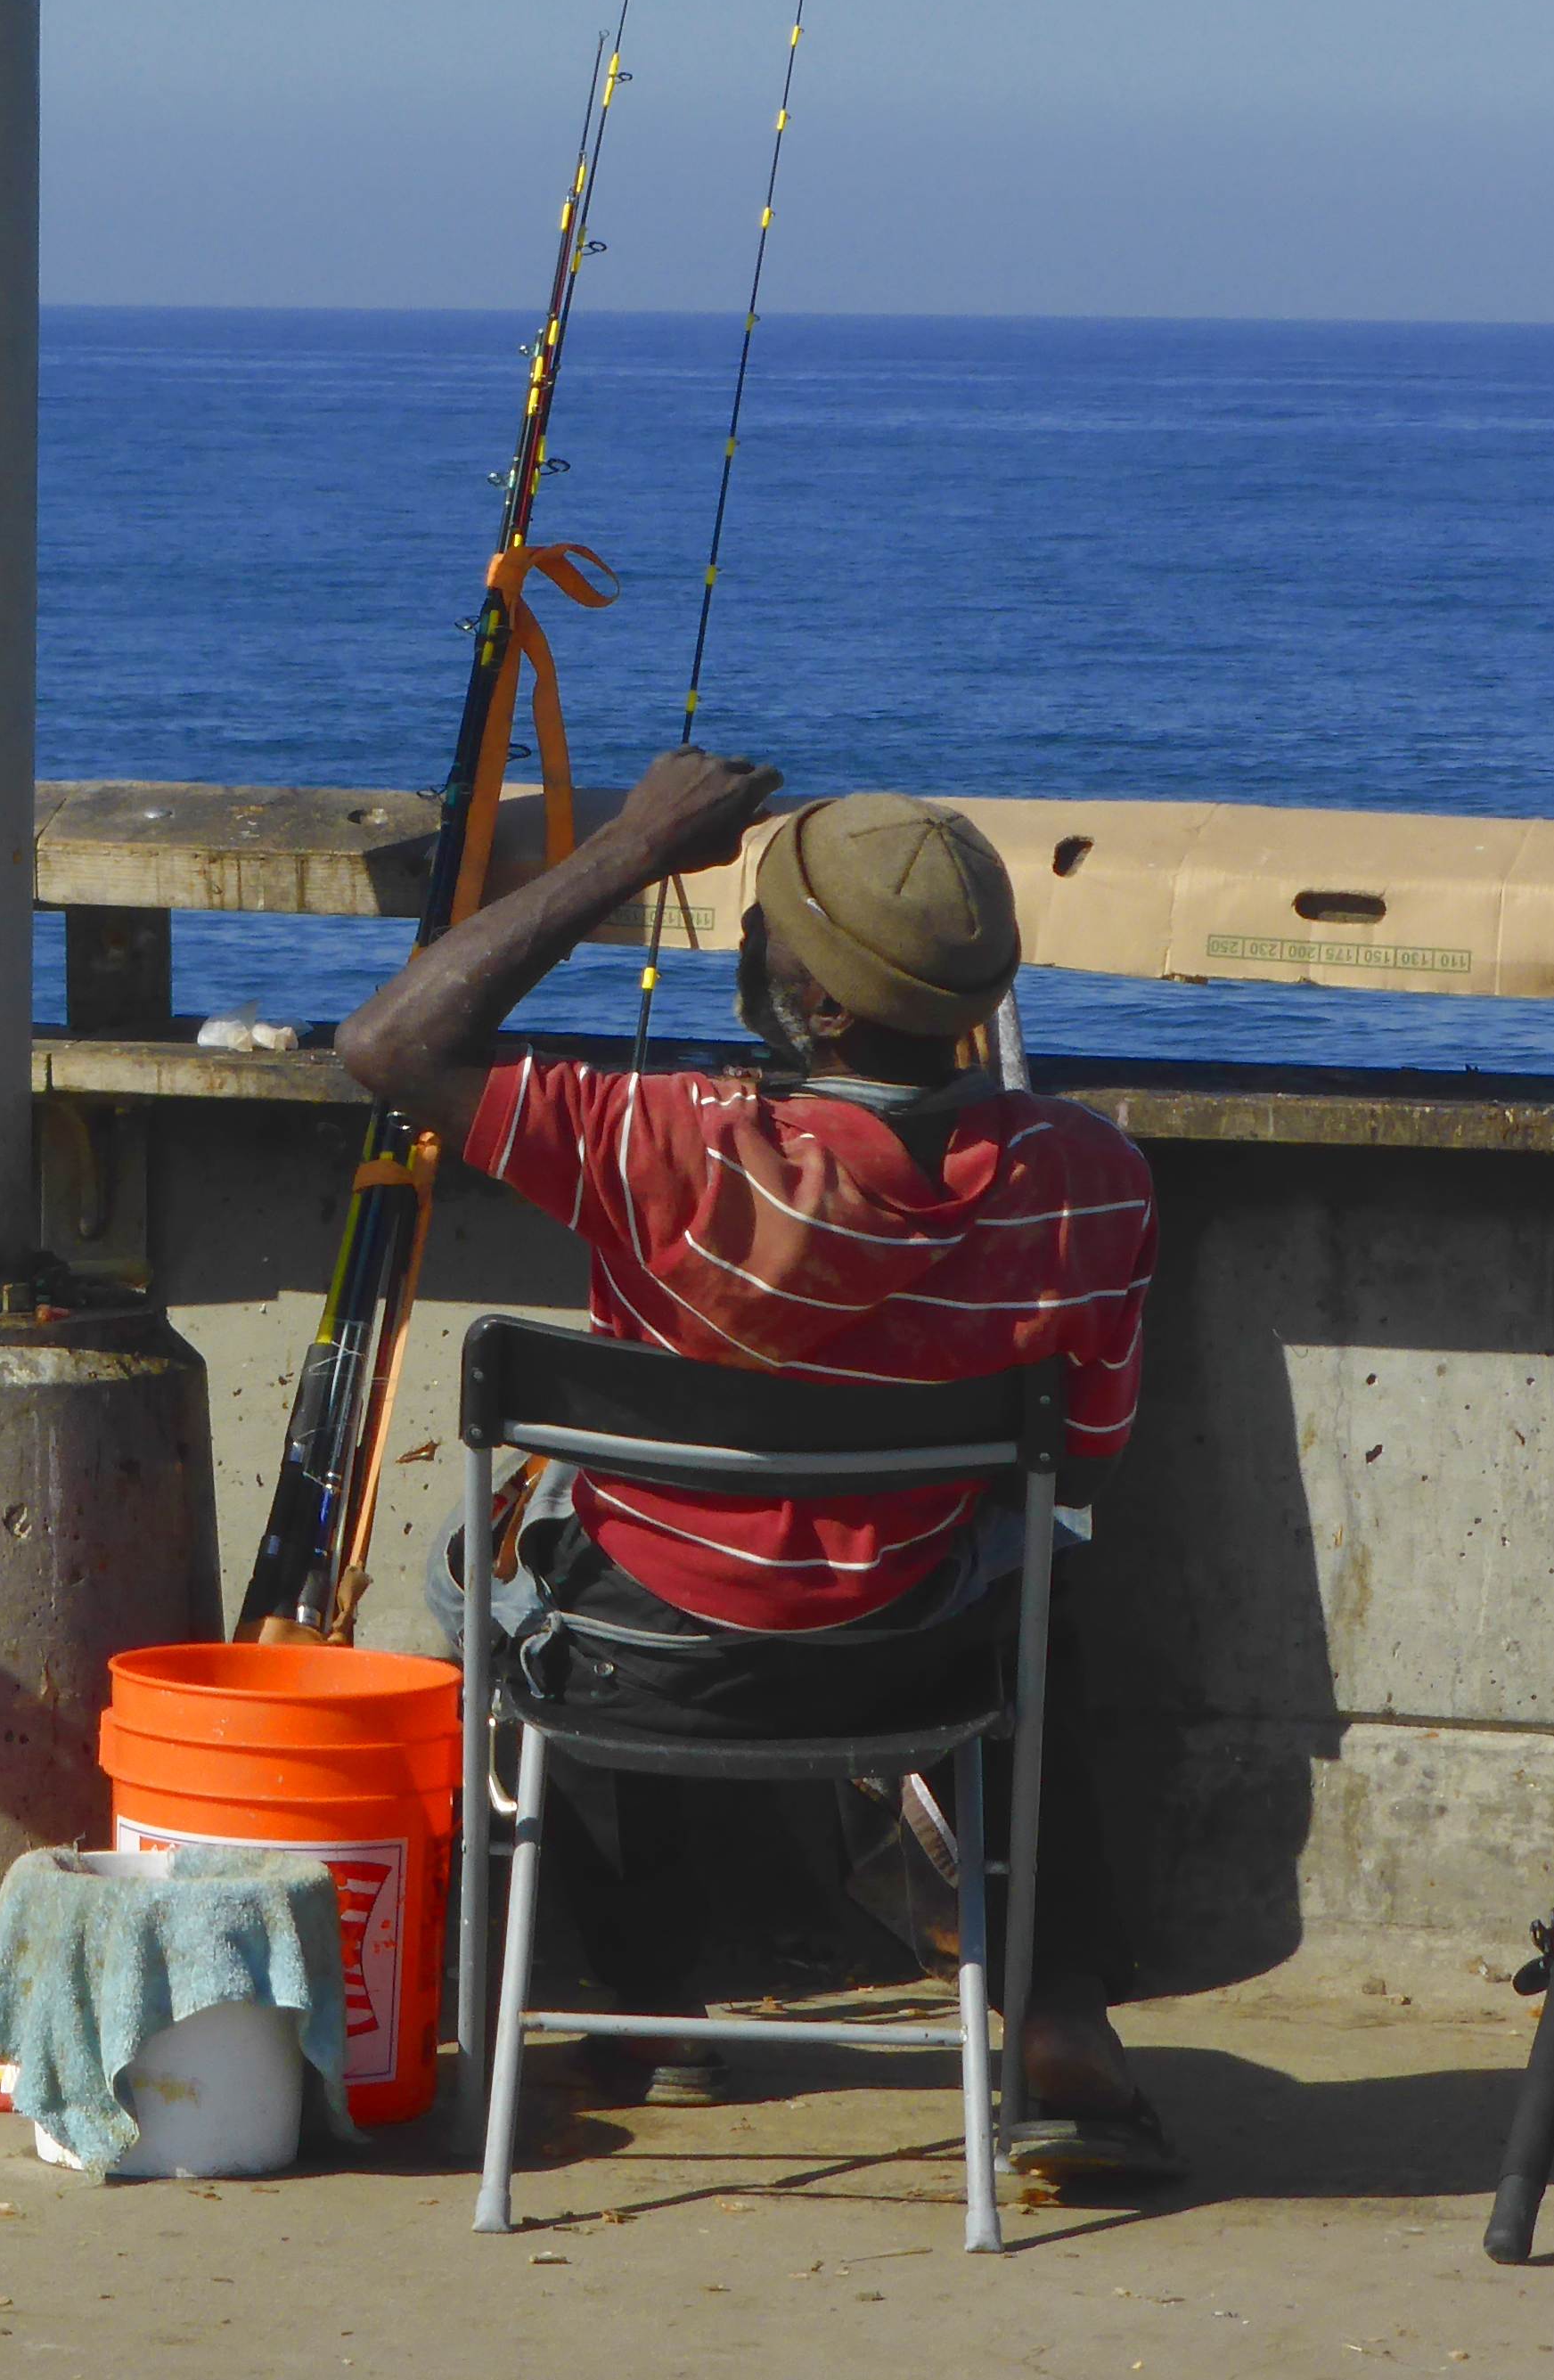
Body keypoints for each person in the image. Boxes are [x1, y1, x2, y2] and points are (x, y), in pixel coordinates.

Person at [336, 748, 1175, 2176]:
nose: (744, 940)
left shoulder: (665, 1147)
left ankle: (646, 2012)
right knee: (1042, 1581)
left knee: (514, 1574)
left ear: (821, 1007)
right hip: (917, 1658)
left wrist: (629, 849)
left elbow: (392, 1043)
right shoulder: (1092, 1177)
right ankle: (1058, 2004)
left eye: (764, 926)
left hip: (646, 1659)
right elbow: (1079, 1469)